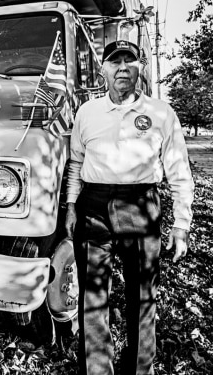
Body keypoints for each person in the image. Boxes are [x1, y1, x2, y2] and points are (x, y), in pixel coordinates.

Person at [65, 40, 194, 374]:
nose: (122, 67)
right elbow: (76, 162)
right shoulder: (87, 112)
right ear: (104, 69)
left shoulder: (161, 113)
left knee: (144, 294)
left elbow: (179, 168)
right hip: (93, 205)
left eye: (130, 61)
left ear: (141, 68)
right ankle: (97, 370)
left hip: (141, 205)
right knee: (93, 296)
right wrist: (70, 205)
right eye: (114, 61)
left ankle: (140, 368)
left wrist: (182, 224)